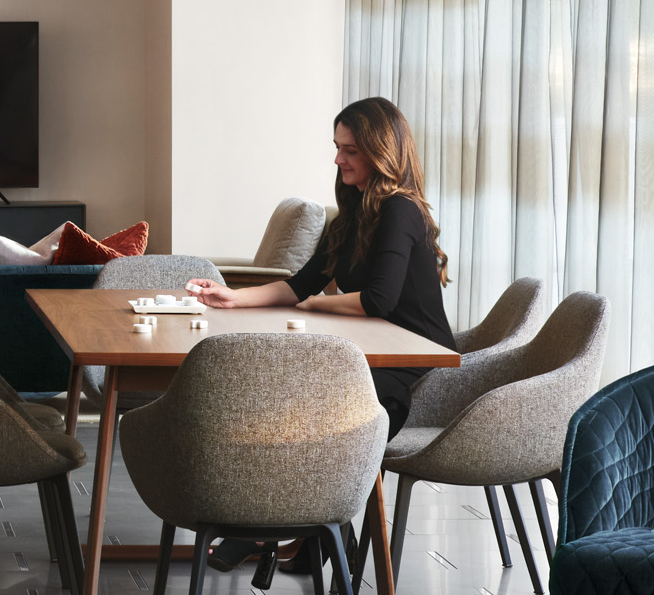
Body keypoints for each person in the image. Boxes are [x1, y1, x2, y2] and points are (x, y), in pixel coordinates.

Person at [186, 95, 456, 438]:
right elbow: (302, 283)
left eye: (351, 150)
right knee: (299, 388)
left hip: (418, 358)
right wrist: (233, 297)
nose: (338, 159)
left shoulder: (400, 209)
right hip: (377, 348)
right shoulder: (355, 212)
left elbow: (378, 300)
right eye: (337, 147)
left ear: (381, 152)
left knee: (314, 399)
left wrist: (316, 305)